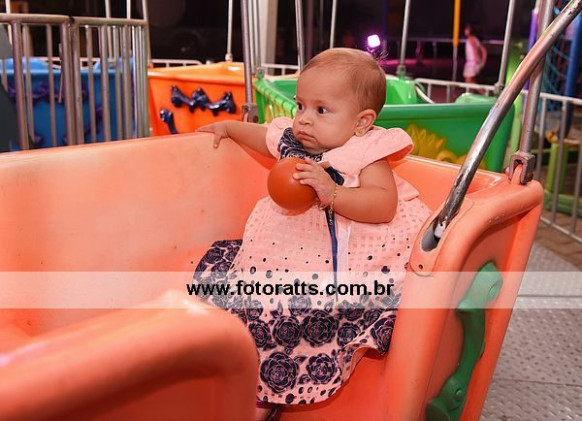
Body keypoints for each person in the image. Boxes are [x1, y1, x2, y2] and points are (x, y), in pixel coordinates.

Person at [194, 48, 430, 420]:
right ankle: (244, 370)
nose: (303, 118)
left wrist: (333, 193)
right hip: (286, 244)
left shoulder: (364, 151)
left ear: (362, 122)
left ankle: (268, 389)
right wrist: (228, 128)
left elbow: (384, 204)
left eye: (321, 110)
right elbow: (262, 136)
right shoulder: (293, 140)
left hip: (343, 254)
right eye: (300, 105)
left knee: (302, 310)